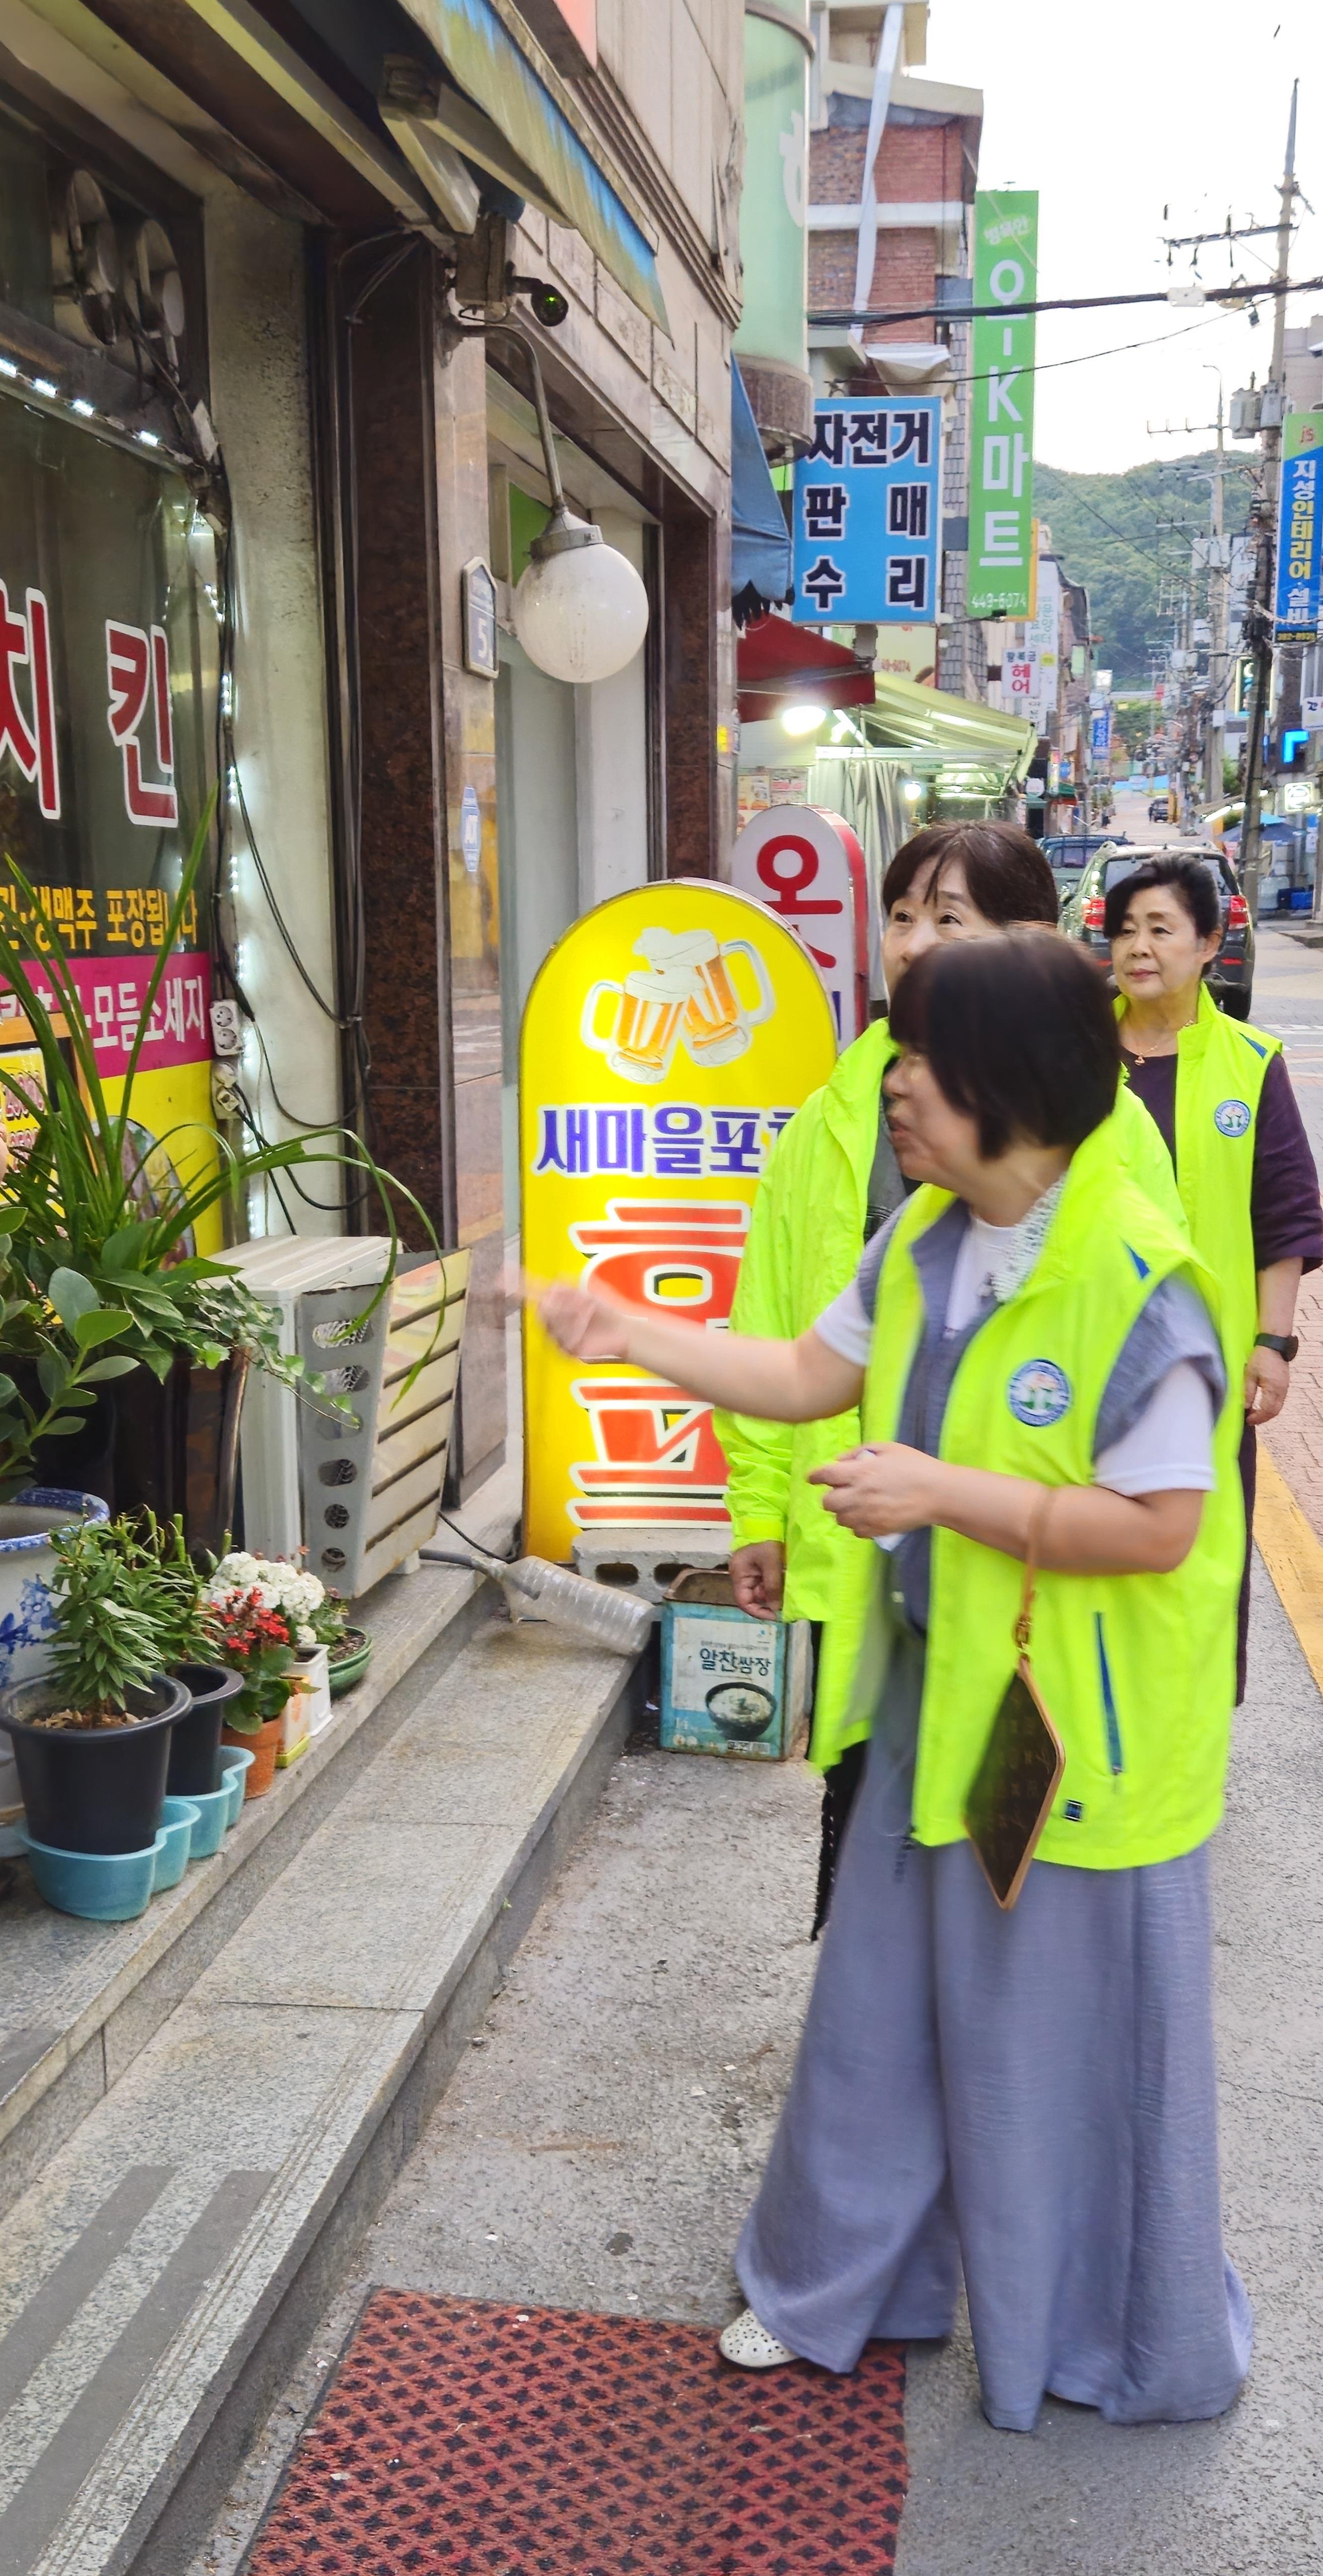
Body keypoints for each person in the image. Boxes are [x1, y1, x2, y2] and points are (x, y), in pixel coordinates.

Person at [536, 931, 1253, 2430]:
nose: (897, 1083)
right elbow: (806, 1372)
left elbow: (1163, 1527)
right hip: (943, 1704)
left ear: (1014, 1090)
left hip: (1078, 1741)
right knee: (878, 2011)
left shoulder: (1140, 1280)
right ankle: (836, 2288)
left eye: (924, 1059)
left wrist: (941, 1491)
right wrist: (628, 1331)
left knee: (1053, 2052)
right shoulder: (924, 1234)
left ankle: (1106, 2335)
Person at [720, 818, 1160, 1929]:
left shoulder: (1106, 1130)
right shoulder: (835, 1113)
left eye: (948, 919)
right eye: (902, 915)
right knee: (870, 1819)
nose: (913, 943)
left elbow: (1136, 1376)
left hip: (1031, 1578)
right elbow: (776, 1322)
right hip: (866, 1549)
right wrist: (759, 1508)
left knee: (1013, 1845)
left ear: (1031, 941)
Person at [1104, 849, 1323, 1697]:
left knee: (1200, 1551)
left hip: (1207, 1368)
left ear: (1209, 943)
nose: (1139, 948)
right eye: (1125, 930)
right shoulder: (1074, 1050)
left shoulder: (1251, 1062)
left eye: (1161, 929)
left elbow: (1285, 1216)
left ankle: (1184, 1725)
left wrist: (1272, 1342)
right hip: (1087, 1352)